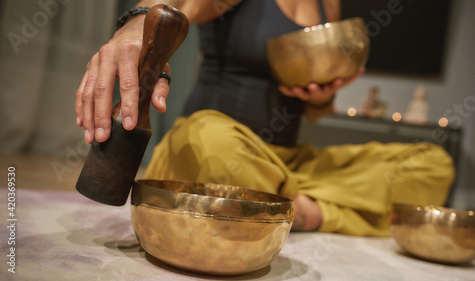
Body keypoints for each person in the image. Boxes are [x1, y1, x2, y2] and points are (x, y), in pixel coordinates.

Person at [75, 0, 455, 235]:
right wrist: (136, 24)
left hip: (286, 164)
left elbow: (318, 113)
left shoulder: (329, 2)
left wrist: (321, 97)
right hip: (221, 147)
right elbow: (173, 3)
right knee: (210, 139)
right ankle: (310, 208)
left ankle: (294, 208)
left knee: (432, 162)